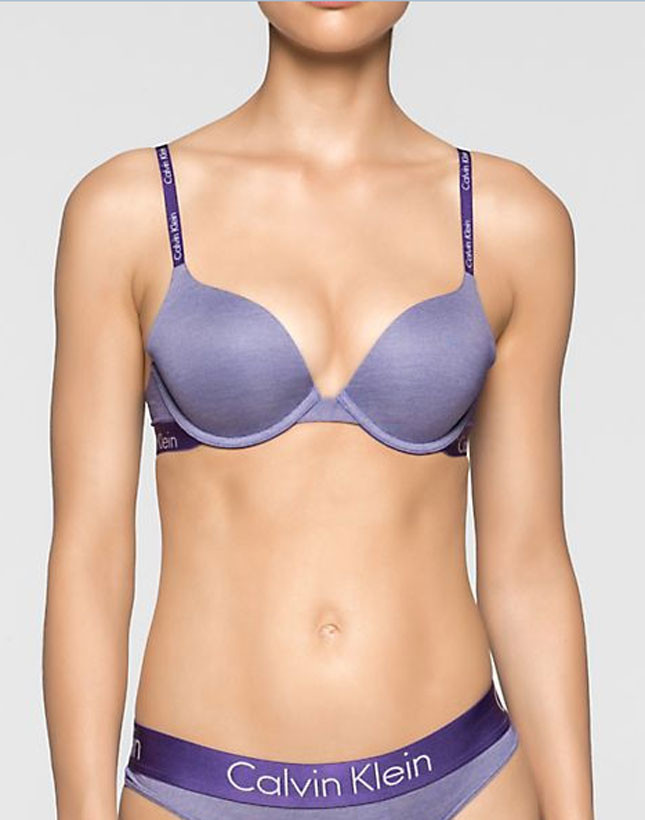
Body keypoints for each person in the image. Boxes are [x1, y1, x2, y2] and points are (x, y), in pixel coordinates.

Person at [43, 3, 594, 819]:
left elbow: (527, 564)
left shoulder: (513, 223)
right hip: (200, 789)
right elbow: (90, 556)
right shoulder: (127, 211)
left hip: (463, 781)